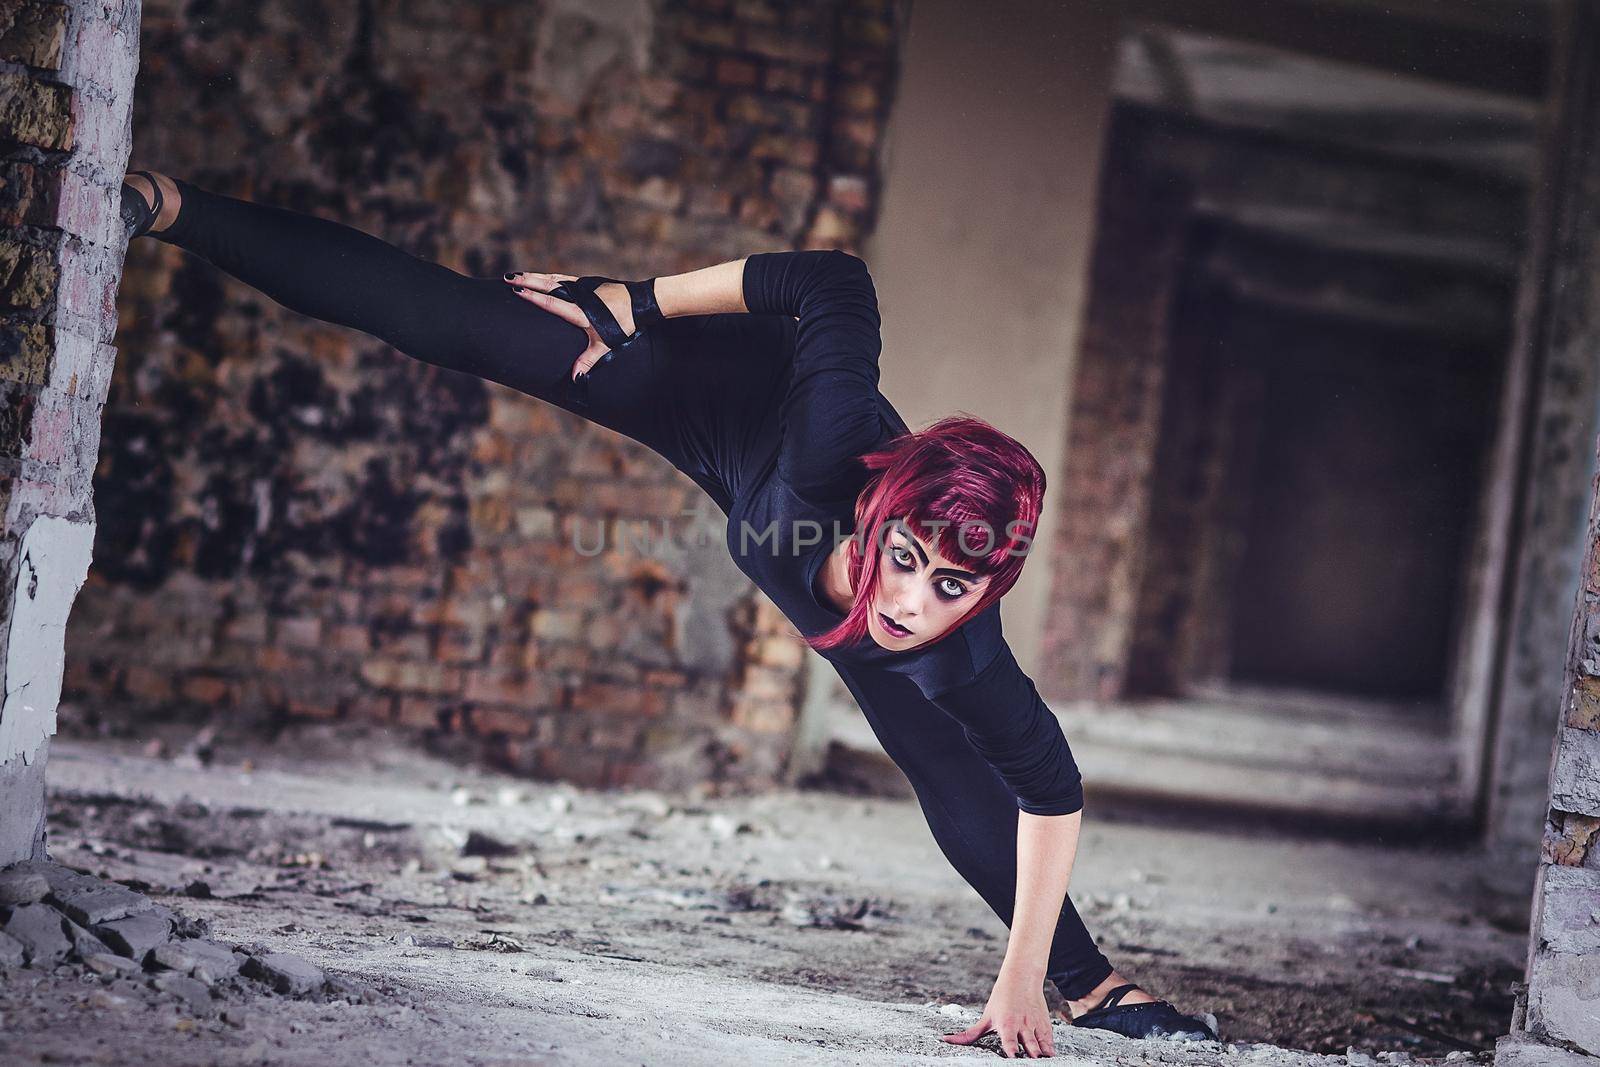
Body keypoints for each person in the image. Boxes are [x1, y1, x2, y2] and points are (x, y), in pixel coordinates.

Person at [119, 171, 1218, 1057]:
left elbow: (1049, 790)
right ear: (878, 509)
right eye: (903, 558)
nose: (906, 601)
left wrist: (1019, 973)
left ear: (986, 591)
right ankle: (170, 204)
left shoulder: (959, 649)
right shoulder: (834, 430)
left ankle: (1092, 982)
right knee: (462, 321)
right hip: (697, 388)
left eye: (951, 587)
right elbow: (832, 278)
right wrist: (634, 302)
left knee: (935, 751)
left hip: (765, 491)